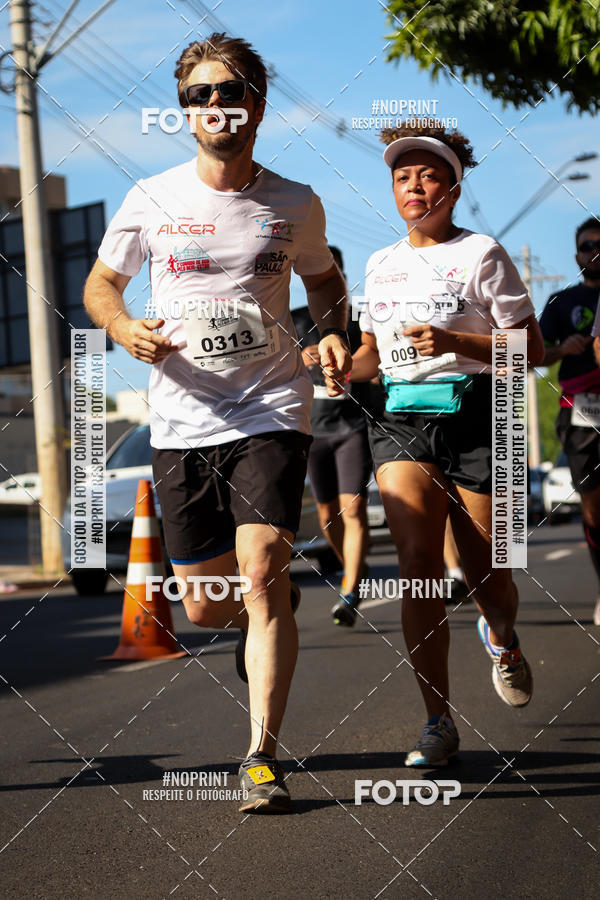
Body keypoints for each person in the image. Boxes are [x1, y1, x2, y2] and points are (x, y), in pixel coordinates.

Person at [83, 32, 351, 812]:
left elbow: (327, 284)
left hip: (270, 405)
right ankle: (263, 612)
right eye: (197, 95)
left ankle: (261, 756)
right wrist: (123, 327)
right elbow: (103, 286)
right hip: (181, 418)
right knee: (204, 603)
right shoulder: (152, 198)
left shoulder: (294, 201)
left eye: (226, 90)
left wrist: (330, 331)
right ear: (185, 114)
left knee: (263, 570)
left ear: (256, 104)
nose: (213, 104)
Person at [336, 121, 544, 766]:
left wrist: (456, 342)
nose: (414, 186)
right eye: (402, 177)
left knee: (487, 573)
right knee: (418, 565)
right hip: (402, 417)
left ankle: (502, 636)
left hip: (483, 412)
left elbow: (531, 349)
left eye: (427, 175)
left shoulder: (482, 252)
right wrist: (344, 367)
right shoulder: (380, 264)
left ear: (453, 186)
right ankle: (437, 720)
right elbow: (371, 356)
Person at [292, 246, 372, 627]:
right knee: (328, 517)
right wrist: (300, 357)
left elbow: (376, 363)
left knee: (353, 508)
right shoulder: (291, 320)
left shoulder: (357, 321)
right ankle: (353, 565)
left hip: (352, 426)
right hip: (314, 430)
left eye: (333, 269)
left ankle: (351, 587)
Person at [542, 217, 600, 626]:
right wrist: (563, 348)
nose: (592, 251)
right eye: (586, 246)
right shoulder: (561, 302)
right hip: (580, 413)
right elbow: (532, 355)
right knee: (594, 509)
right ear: (575, 254)